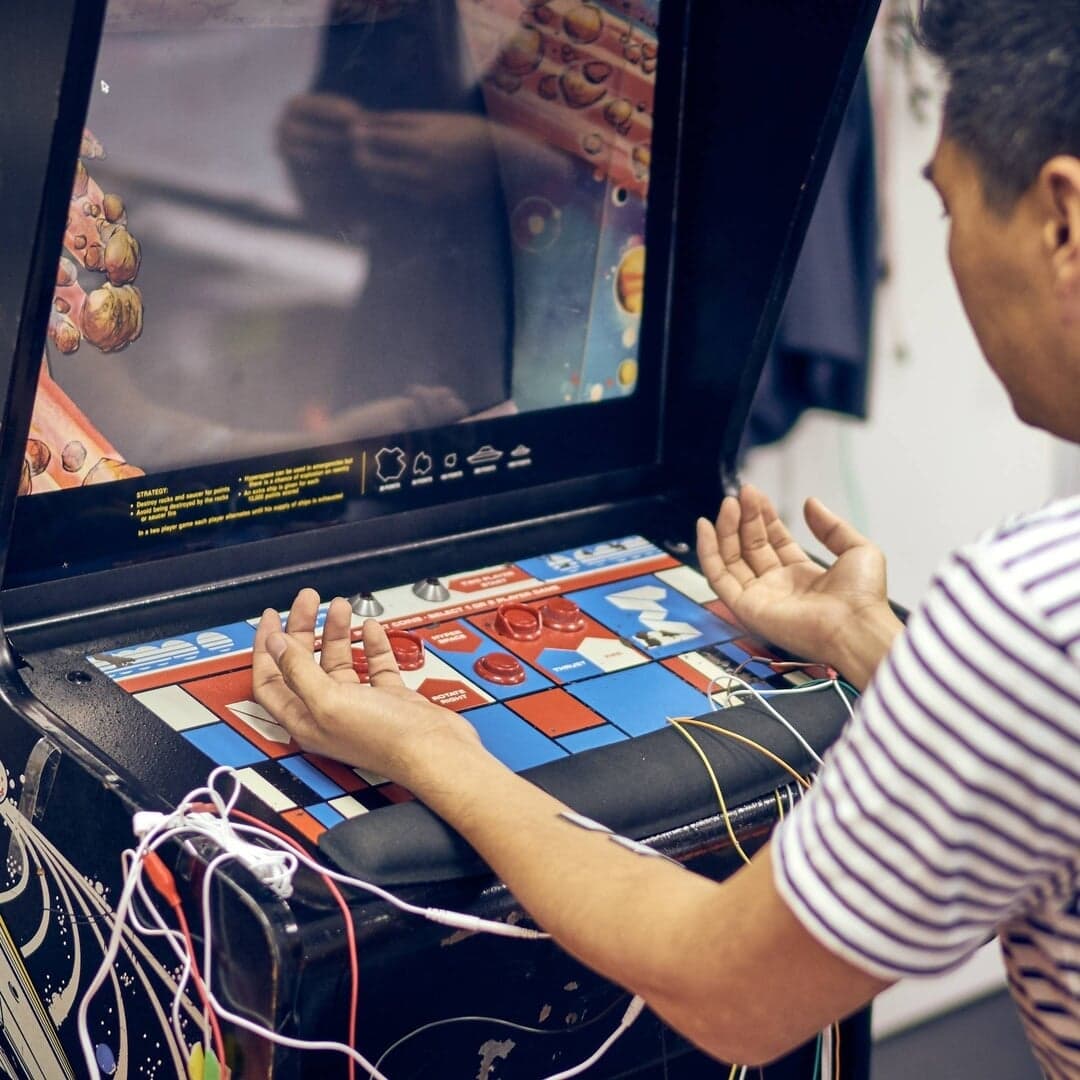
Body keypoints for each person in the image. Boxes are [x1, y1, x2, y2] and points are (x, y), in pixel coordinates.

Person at [251, 1, 1080, 1075]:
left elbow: (728, 988)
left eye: (951, 208)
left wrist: (435, 750)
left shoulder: (1029, 609)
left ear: (1062, 222)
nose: (958, 250)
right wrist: (873, 638)